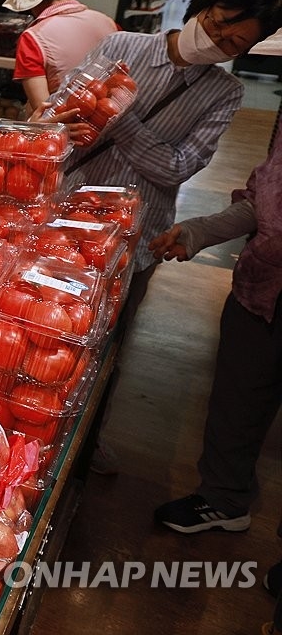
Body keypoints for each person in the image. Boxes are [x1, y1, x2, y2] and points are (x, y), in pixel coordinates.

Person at [43, 0, 282, 473]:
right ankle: (40, 431)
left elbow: (177, 167)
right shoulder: (121, 46)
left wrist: (119, 114)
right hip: (64, 215)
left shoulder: (223, 93)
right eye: (217, 23)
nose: (217, 40)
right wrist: (56, 119)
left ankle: (86, 439)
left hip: (133, 238)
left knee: (105, 343)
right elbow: (59, 116)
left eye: (234, 43)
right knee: (45, 324)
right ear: (204, 5)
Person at [150, 108, 282, 534]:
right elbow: (264, 201)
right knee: (237, 398)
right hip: (261, 287)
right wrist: (200, 232)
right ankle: (224, 498)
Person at [4, 0, 118, 111]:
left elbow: (43, 110)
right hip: (113, 117)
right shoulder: (110, 24)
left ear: (34, 0)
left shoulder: (32, 38)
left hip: (65, 122)